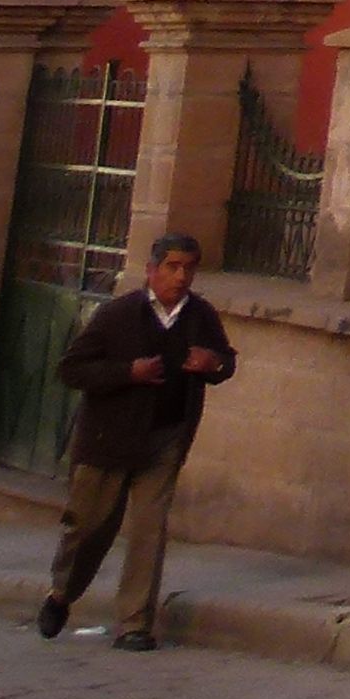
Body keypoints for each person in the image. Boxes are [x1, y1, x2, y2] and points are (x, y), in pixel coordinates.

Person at [39, 232, 233, 649]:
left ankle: (134, 624)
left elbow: (225, 360)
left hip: (164, 438)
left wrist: (213, 363)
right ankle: (61, 594)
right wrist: (129, 373)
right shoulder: (118, 315)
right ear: (152, 270)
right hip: (108, 441)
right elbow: (72, 369)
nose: (181, 277)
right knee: (90, 528)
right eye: (172, 267)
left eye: (189, 268)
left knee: (149, 529)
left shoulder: (200, 316)